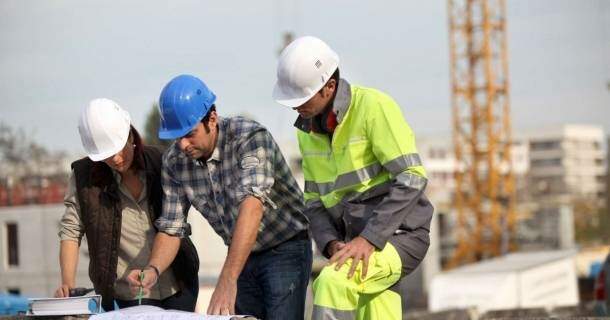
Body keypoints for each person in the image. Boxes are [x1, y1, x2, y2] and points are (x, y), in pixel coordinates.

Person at [273, 36, 434, 319]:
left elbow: (412, 176)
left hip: (400, 237)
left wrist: (370, 240)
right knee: (375, 310)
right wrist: (330, 242)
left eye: (302, 98)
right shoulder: (306, 133)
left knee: (333, 282)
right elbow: (312, 201)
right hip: (352, 243)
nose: (295, 108)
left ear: (329, 87)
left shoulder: (373, 107)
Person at [126, 75, 311, 319]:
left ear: (212, 119)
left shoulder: (250, 139)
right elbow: (172, 228)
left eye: (190, 134)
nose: (182, 145)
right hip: (239, 254)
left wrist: (227, 278)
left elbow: (252, 206)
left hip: (285, 248)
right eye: (176, 137)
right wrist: (152, 269)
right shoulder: (174, 162)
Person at [56, 98, 199, 311]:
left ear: (131, 135)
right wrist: (67, 284)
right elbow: (71, 231)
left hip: (178, 282)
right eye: (107, 155)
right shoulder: (83, 178)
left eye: (120, 149)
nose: (116, 159)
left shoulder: (161, 162)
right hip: (130, 292)